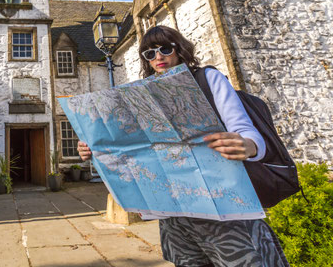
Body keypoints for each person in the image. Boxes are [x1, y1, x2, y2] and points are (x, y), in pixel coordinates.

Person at [77, 25, 289, 267]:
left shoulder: (208, 78)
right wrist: (95, 149)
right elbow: (128, 145)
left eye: (165, 49)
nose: (158, 57)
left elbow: (245, 131)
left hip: (224, 206)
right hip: (174, 210)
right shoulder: (142, 94)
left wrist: (248, 146)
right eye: (149, 53)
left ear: (180, 49)